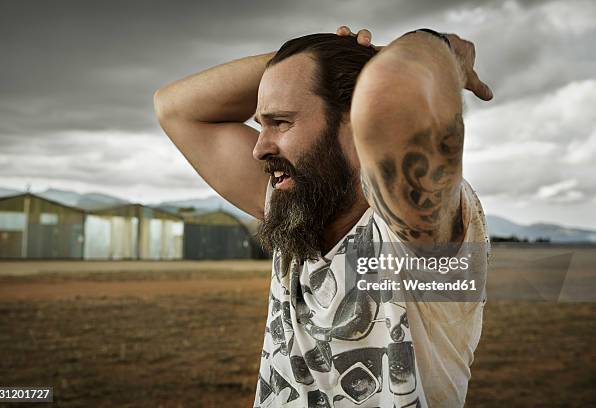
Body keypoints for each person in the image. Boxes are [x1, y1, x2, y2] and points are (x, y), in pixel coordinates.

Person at [154, 25, 492, 408]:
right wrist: (323, 57)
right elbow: (175, 107)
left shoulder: (416, 228)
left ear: (353, 121)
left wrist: (440, 50)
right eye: (259, 125)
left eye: (280, 122)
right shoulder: (299, 206)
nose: (259, 148)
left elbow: (393, 85)